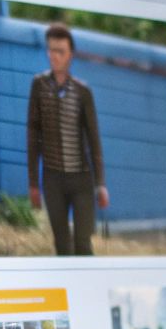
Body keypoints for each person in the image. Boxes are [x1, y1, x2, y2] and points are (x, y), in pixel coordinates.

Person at [26, 23, 108, 255]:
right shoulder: (39, 85)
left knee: (83, 242)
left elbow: (94, 139)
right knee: (62, 243)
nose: (54, 56)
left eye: (60, 51)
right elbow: (33, 134)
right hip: (52, 179)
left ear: (70, 54)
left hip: (81, 178)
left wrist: (100, 183)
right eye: (51, 50)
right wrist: (33, 182)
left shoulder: (83, 92)